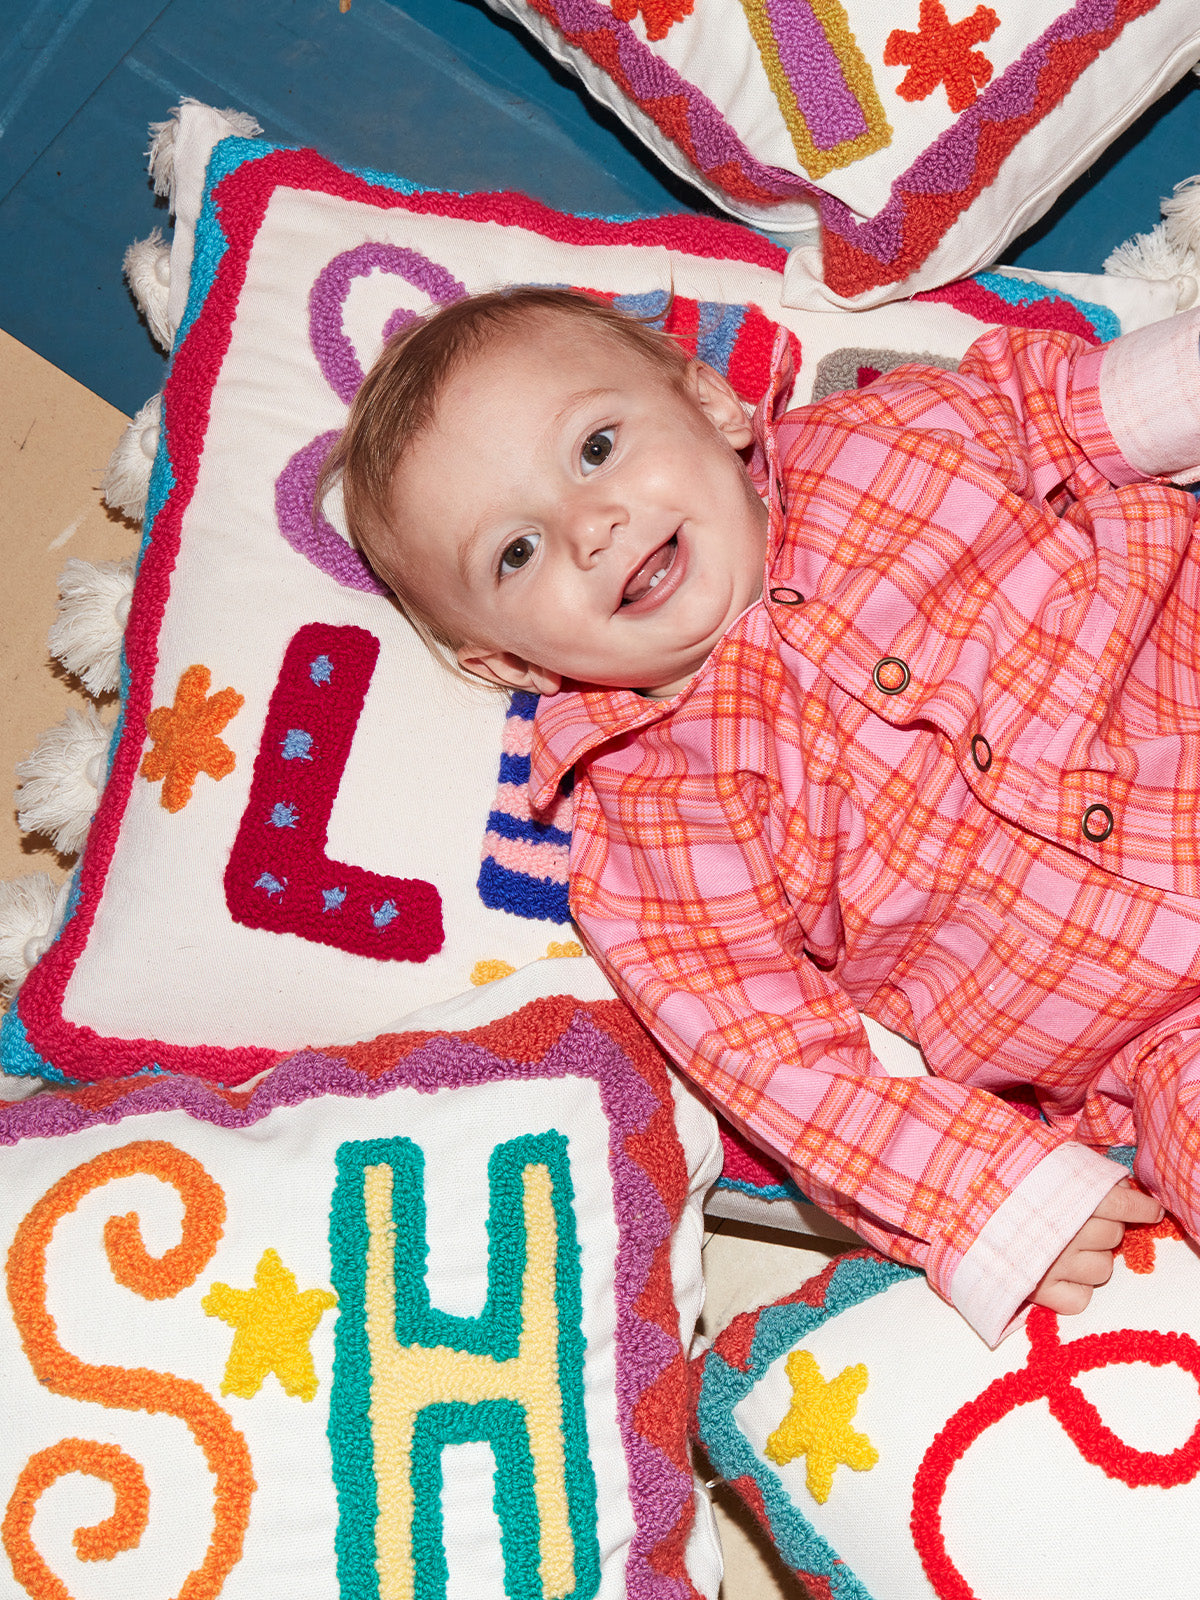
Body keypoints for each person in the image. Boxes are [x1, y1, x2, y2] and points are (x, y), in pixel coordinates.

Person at [322, 284, 1200, 1346]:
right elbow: (775, 1060)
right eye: (516, 553)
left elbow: (1059, 407)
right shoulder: (651, 825)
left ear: (712, 402)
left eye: (596, 447)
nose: (588, 525)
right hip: (1160, 1036)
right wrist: (987, 1190)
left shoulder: (887, 444)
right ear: (508, 660)